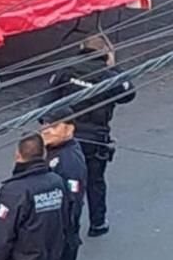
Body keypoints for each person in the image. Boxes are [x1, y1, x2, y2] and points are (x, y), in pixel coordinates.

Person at [40, 35, 136, 237]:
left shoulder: (66, 71)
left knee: (61, 182)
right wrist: (114, 67)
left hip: (65, 139)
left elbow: (44, 107)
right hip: (95, 138)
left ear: (82, 49)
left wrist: (53, 130)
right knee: (95, 181)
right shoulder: (108, 76)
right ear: (106, 53)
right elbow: (129, 94)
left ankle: (62, 226)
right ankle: (97, 224)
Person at [0, 133, 68, 260]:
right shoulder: (56, 182)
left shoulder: (14, 191)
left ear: (18, 155)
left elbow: (2, 237)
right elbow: (64, 221)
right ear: (43, 154)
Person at [40, 106, 87, 260]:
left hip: (59, 241)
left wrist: (55, 239)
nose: (46, 130)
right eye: (44, 124)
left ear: (69, 128)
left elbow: (72, 205)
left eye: (53, 126)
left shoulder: (69, 162)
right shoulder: (54, 152)